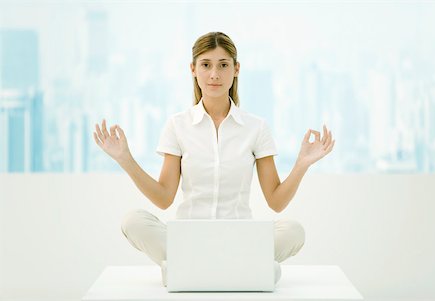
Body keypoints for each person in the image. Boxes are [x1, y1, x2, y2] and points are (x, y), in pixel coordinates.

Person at [93, 32, 335, 287]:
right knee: (133, 221)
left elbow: (276, 201)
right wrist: (125, 159)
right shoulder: (177, 125)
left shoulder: (256, 127)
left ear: (236, 69)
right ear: (193, 70)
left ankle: (185, 271)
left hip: (240, 239)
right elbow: (163, 197)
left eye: (223, 65)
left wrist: (302, 164)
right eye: (206, 65)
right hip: (188, 239)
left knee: (293, 230)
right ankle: (250, 270)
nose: (214, 74)